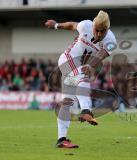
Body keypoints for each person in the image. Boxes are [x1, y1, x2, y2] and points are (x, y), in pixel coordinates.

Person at [45, 10, 117, 148]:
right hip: (67, 59)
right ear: (93, 25)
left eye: (103, 31)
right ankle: (86, 111)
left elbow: (102, 54)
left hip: (81, 66)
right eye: (97, 30)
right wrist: (56, 25)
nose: (99, 34)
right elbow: (72, 25)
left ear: (107, 29)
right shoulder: (86, 25)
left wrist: (91, 65)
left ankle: (61, 139)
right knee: (82, 77)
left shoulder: (111, 41)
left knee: (68, 102)